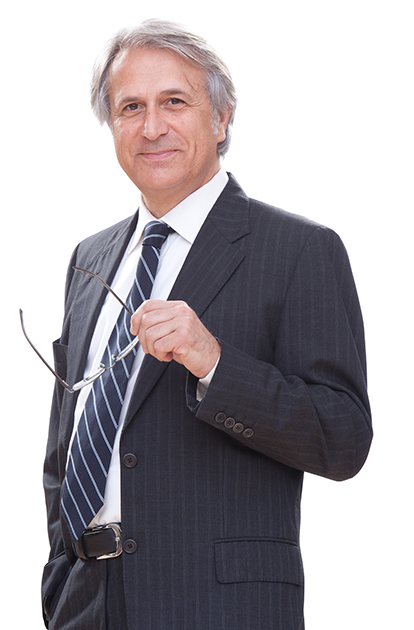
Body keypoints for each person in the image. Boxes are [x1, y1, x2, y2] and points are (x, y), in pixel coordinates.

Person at [40, 18, 372, 630]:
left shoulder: (299, 249)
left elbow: (344, 438)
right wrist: (60, 579)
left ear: (221, 119)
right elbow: (69, 441)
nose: (151, 127)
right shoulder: (90, 259)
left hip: (217, 607)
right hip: (87, 604)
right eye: (131, 107)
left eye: (174, 102)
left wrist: (216, 364)